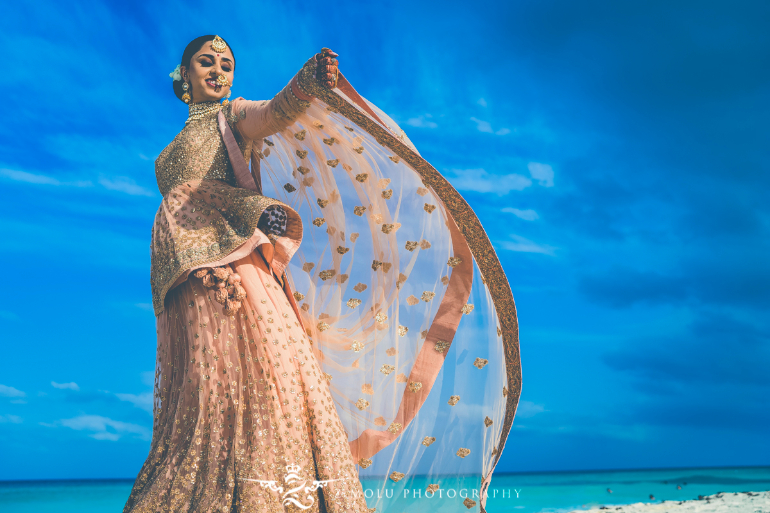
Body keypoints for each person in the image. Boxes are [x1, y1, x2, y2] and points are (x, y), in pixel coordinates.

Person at [123, 35, 522, 513]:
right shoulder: (168, 153)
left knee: (270, 382)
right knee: (209, 397)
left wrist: (308, 81)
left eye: (226, 64)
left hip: (241, 276)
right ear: (183, 75)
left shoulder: (234, 117)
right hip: (191, 288)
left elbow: (274, 113)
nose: (218, 71)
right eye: (205, 62)